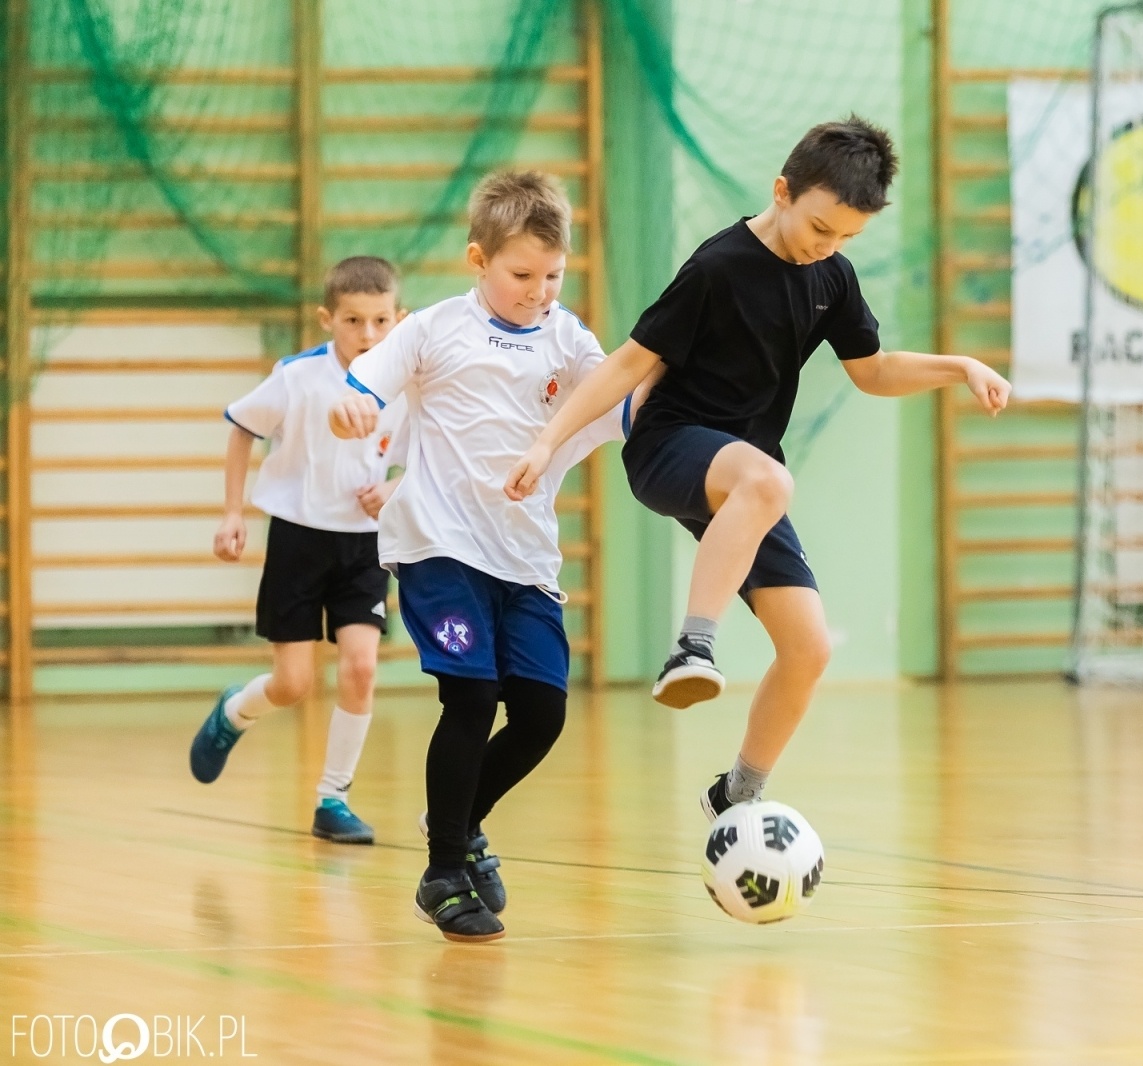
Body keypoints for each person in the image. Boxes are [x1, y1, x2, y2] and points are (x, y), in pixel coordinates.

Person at [503, 116, 1011, 822]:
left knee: (806, 649)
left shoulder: (830, 276)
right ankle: (692, 646)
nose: (827, 248)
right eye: (819, 228)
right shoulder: (719, 267)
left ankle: (735, 793)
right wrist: (544, 443)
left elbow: (874, 371)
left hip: (745, 476)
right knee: (767, 481)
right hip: (670, 445)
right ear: (782, 191)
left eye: (845, 239)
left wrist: (959, 366)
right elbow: (627, 363)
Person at [331, 171, 649, 943]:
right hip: (438, 547)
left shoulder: (570, 341)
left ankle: (461, 820)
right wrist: (353, 404)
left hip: (526, 560)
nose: (538, 291)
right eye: (520, 275)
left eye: (553, 275)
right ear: (479, 259)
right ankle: (443, 869)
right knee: (470, 698)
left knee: (541, 713)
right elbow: (365, 383)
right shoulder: (435, 329)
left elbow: (625, 402)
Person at [190, 256, 408, 846]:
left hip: (365, 546)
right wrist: (233, 511)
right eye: (353, 321)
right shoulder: (298, 376)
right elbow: (242, 427)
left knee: (360, 667)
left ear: (400, 318)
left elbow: (435, 456)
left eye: (381, 321)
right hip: (298, 538)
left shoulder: (408, 385)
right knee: (293, 684)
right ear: (327, 319)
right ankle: (235, 712)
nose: (368, 335)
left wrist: (395, 487)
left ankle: (332, 799)